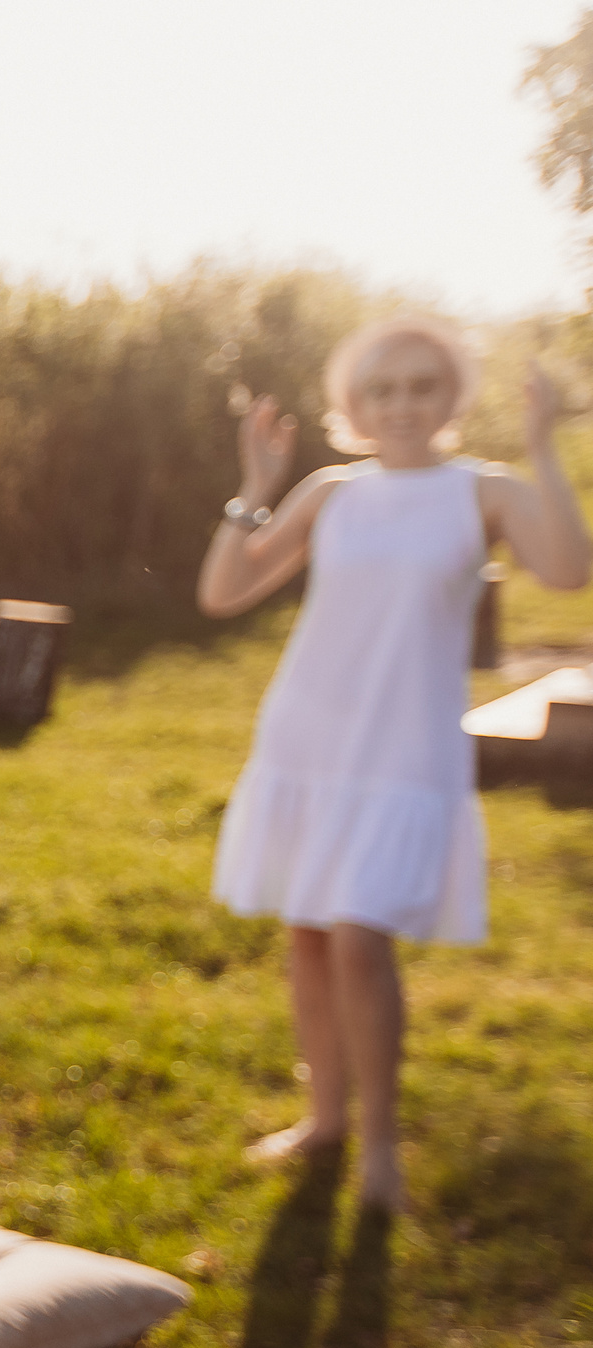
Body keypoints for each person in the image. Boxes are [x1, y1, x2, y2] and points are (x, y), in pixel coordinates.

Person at [198, 315, 590, 1211]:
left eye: (421, 386)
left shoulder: (485, 489)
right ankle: (323, 1119)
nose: (403, 405)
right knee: (306, 930)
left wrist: (544, 449)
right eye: (384, 389)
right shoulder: (332, 490)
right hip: (309, 734)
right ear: (355, 405)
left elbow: (569, 570)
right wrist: (253, 488)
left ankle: (380, 1148)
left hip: (405, 745)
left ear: (452, 397)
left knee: (360, 936)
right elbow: (222, 592)